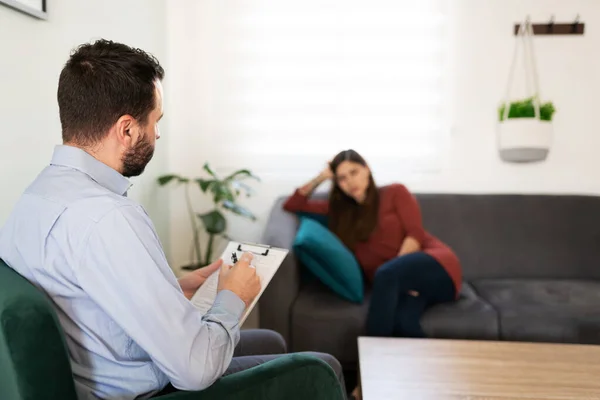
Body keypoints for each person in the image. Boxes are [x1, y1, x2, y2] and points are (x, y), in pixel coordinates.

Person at [0, 39, 345, 400]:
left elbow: (80, 294)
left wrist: (173, 288)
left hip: (93, 372)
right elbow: (195, 371)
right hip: (145, 391)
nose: (158, 133)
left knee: (271, 340)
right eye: (155, 121)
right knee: (322, 367)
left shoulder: (37, 196)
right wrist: (233, 297)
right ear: (128, 129)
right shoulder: (109, 217)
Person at [283, 149, 462, 399]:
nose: (350, 182)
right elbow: (293, 205)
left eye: (354, 172)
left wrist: (399, 275)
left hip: (435, 267)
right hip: (402, 285)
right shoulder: (340, 213)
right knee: (404, 323)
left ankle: (363, 385)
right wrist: (322, 176)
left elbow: (415, 235)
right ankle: (432, 387)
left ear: (366, 169)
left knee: (387, 274)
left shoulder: (395, 192)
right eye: (342, 178)